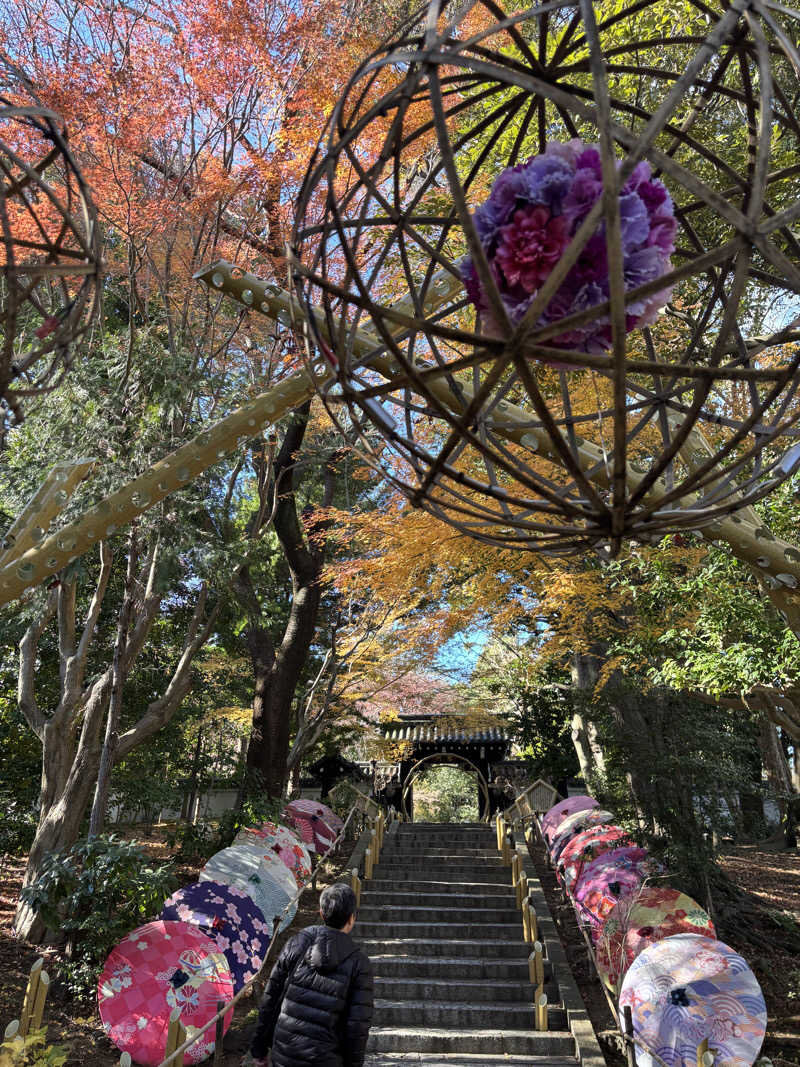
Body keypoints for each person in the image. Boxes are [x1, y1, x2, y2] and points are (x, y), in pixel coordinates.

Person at [249, 882, 373, 1067]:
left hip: (285, 1054)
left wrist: (258, 1050)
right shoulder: (359, 964)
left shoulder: (298, 942)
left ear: (321, 913)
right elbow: (357, 1026)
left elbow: (271, 997)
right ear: (352, 918)